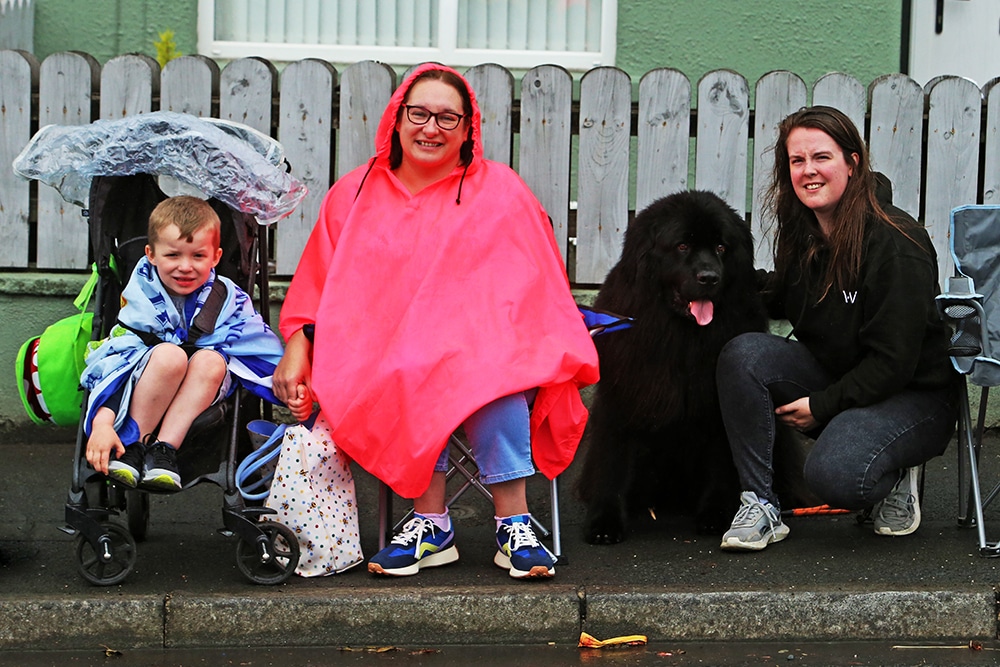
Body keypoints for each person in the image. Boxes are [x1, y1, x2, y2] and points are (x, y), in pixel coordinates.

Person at [274, 63, 599, 579]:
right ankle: (431, 524)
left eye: (448, 118)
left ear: (469, 129)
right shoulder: (354, 194)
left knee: (489, 373)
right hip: (380, 356)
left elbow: (535, 285)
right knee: (413, 365)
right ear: (397, 119)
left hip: (485, 348)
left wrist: (470, 336)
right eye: (419, 114)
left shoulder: (503, 191)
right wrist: (296, 344)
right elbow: (318, 283)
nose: (431, 128)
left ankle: (513, 524)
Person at [715, 106, 958, 551]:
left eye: (821, 157)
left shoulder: (896, 243)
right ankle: (760, 504)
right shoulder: (804, 231)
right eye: (796, 160)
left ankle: (898, 462)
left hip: (914, 395)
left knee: (837, 476)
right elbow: (783, 294)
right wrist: (714, 277)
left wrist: (822, 406)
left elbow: (893, 362)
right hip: (845, 377)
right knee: (744, 355)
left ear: (853, 162)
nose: (809, 171)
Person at [82, 195, 295, 491]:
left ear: (216, 257)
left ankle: (163, 450)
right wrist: (102, 425)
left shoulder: (227, 300)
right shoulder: (141, 303)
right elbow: (117, 365)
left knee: (211, 359)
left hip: (203, 388)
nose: (185, 267)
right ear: (151, 254)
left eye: (198, 256)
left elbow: (255, 344)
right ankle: (132, 444)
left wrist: (290, 383)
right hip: (144, 386)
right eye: (173, 256)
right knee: (170, 355)